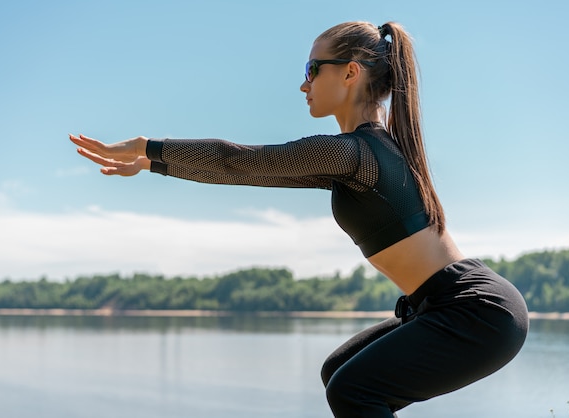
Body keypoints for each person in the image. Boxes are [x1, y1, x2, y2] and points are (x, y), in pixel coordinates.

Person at [69, 21, 529, 418]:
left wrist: (150, 148)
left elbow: (239, 160)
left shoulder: (356, 153)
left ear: (350, 72)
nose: (304, 83)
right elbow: (246, 172)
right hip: (448, 306)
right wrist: (154, 165)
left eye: (312, 69)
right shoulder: (358, 155)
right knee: (340, 373)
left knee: (355, 389)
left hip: (474, 311)